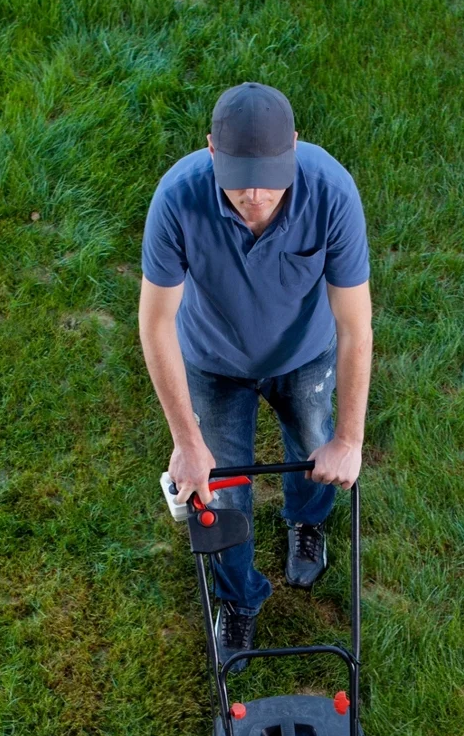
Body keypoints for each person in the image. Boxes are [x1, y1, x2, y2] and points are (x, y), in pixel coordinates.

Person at [138, 82, 372, 669]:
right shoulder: (176, 200)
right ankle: (239, 597)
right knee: (218, 492)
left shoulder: (332, 192)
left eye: (270, 176)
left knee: (315, 451)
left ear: (294, 147)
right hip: (214, 363)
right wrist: (187, 443)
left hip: (304, 355)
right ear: (211, 151)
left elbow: (355, 327)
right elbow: (156, 324)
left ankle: (306, 520)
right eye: (240, 177)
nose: (255, 195)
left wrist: (349, 440)